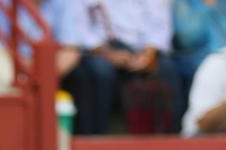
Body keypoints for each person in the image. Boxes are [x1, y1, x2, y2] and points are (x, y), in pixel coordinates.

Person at [58, 0, 178, 134]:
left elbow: (160, 27)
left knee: (167, 69)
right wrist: (110, 55)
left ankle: (169, 137)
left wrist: (148, 55)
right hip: (100, 51)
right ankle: (97, 136)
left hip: (143, 51)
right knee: (100, 72)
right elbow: (80, 30)